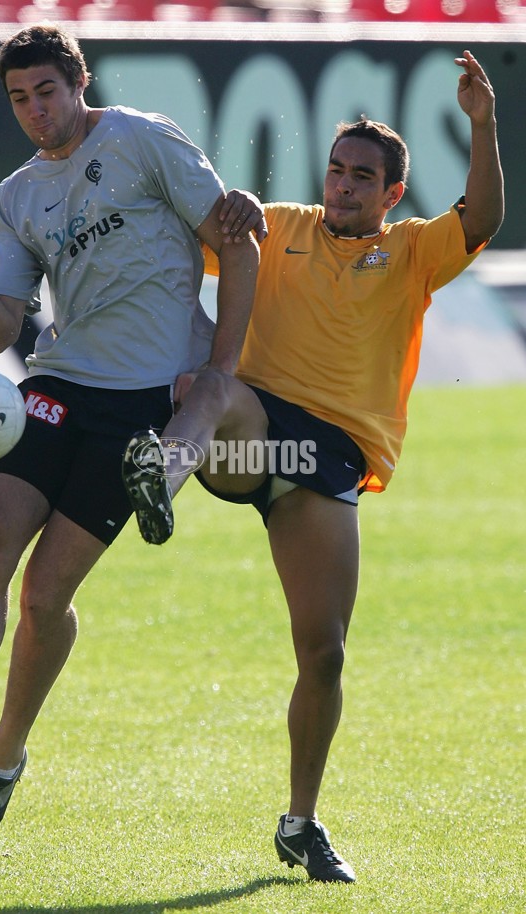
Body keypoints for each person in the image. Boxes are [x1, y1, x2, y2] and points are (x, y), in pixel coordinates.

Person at [123, 50, 504, 883]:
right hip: (252, 434)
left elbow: (482, 217)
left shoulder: (410, 252)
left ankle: (300, 822)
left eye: (362, 177)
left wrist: (482, 124)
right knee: (218, 384)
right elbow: (193, 229)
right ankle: (162, 473)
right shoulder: (280, 225)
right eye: (336, 171)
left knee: (325, 654)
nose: (343, 186)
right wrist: (222, 203)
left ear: (392, 193)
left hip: (323, 460)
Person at [0, 23, 263, 849]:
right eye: (19, 99)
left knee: (46, 596)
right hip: (53, 386)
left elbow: (237, 238)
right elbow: (1, 323)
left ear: (79, 81)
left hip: (143, 404)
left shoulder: (144, 140)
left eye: (47, 90)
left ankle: (1, 761)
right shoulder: (14, 197)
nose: (35, 110)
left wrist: (215, 374)